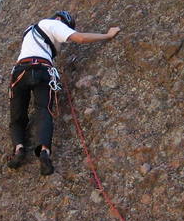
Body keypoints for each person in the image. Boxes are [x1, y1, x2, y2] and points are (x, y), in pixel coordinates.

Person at [7, 10, 120, 175]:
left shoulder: (29, 31)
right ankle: (44, 151)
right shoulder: (53, 23)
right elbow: (80, 38)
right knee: (44, 111)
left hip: (20, 71)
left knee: (17, 116)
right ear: (60, 19)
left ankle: (19, 149)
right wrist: (107, 35)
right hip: (43, 70)